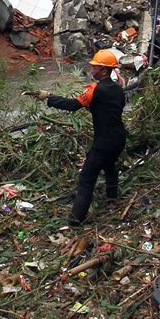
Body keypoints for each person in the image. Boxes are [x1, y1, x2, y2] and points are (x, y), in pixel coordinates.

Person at [33, 49, 126, 226]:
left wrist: (49, 97)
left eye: (95, 68)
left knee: (86, 179)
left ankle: (75, 220)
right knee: (110, 166)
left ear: (104, 71)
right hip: (119, 138)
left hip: (104, 142)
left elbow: (72, 105)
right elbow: (112, 108)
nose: (92, 71)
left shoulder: (95, 89)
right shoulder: (118, 89)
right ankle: (112, 198)